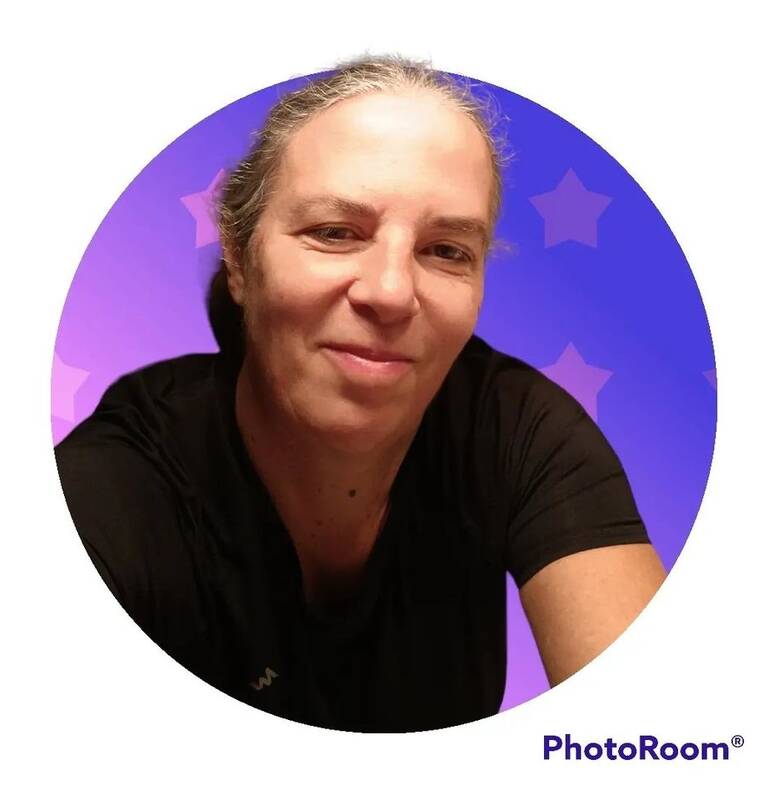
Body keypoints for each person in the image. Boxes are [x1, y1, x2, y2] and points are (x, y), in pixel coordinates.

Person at [55, 56, 666, 732]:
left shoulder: (518, 430)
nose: (392, 292)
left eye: (446, 250)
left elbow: (651, 735)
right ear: (239, 256)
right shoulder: (108, 494)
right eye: (335, 233)